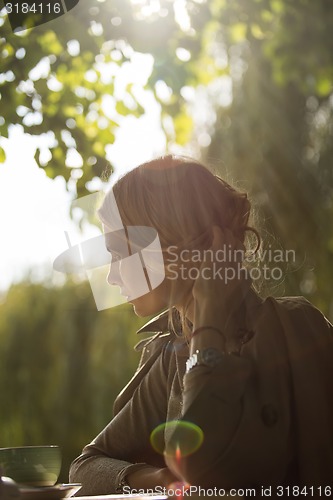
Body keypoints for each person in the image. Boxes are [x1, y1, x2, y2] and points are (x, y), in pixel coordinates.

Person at [69, 155, 333, 495]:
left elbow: (198, 465)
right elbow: (85, 467)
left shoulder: (297, 329)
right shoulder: (172, 357)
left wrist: (209, 318)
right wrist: (158, 480)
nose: (112, 275)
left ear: (172, 241)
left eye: (121, 253)